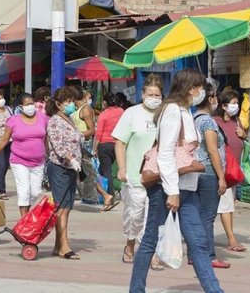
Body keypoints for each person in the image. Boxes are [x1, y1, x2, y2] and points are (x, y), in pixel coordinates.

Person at [129, 69, 223, 293]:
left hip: (186, 188)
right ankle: (136, 289)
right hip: (167, 189)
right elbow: (166, 154)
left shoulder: (184, 111)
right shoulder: (172, 110)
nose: (202, 92)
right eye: (200, 87)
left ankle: (214, 290)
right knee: (151, 240)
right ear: (191, 89)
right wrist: (172, 192)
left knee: (199, 242)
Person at [112, 73, 164, 268]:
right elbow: (120, 142)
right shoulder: (131, 113)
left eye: (157, 95)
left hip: (158, 177)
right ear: (142, 94)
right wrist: (122, 168)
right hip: (135, 176)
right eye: (150, 94)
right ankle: (130, 244)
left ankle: (150, 253)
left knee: (153, 217)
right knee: (135, 216)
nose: (154, 98)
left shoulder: (166, 114)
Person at [0, 93, 48, 217]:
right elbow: (4, 139)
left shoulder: (43, 118)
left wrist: (46, 152)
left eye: (32, 103)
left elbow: (47, 138)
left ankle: (26, 216)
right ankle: (24, 220)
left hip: (38, 162)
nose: (31, 106)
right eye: (27, 104)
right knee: (24, 191)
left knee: (35, 192)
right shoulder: (13, 120)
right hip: (19, 160)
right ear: (21, 106)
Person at [193, 80, 230, 269]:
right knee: (207, 216)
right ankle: (208, 255)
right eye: (215, 96)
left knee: (199, 216)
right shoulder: (207, 121)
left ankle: (196, 253)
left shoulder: (195, 118)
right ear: (209, 99)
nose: (216, 100)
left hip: (198, 173)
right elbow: (213, 150)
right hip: (208, 174)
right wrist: (221, 176)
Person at [45, 86, 82, 260]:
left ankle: (58, 244)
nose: (71, 104)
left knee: (66, 207)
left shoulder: (69, 119)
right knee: (62, 209)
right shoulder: (55, 121)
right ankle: (64, 247)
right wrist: (71, 159)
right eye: (67, 102)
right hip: (60, 167)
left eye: (72, 101)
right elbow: (58, 146)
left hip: (72, 169)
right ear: (58, 104)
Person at [213, 90, 247, 253]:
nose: (236, 106)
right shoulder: (214, 122)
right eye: (233, 103)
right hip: (219, 171)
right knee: (226, 206)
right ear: (224, 105)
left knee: (226, 205)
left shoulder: (237, 121)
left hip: (233, 172)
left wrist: (243, 134)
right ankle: (231, 239)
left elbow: (242, 140)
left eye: (237, 103)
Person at [93, 93, 124, 211]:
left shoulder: (103, 115)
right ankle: (110, 193)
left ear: (105, 103)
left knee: (106, 172)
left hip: (104, 145)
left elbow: (98, 134)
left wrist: (94, 148)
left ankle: (109, 197)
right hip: (119, 144)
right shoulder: (121, 111)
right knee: (111, 170)